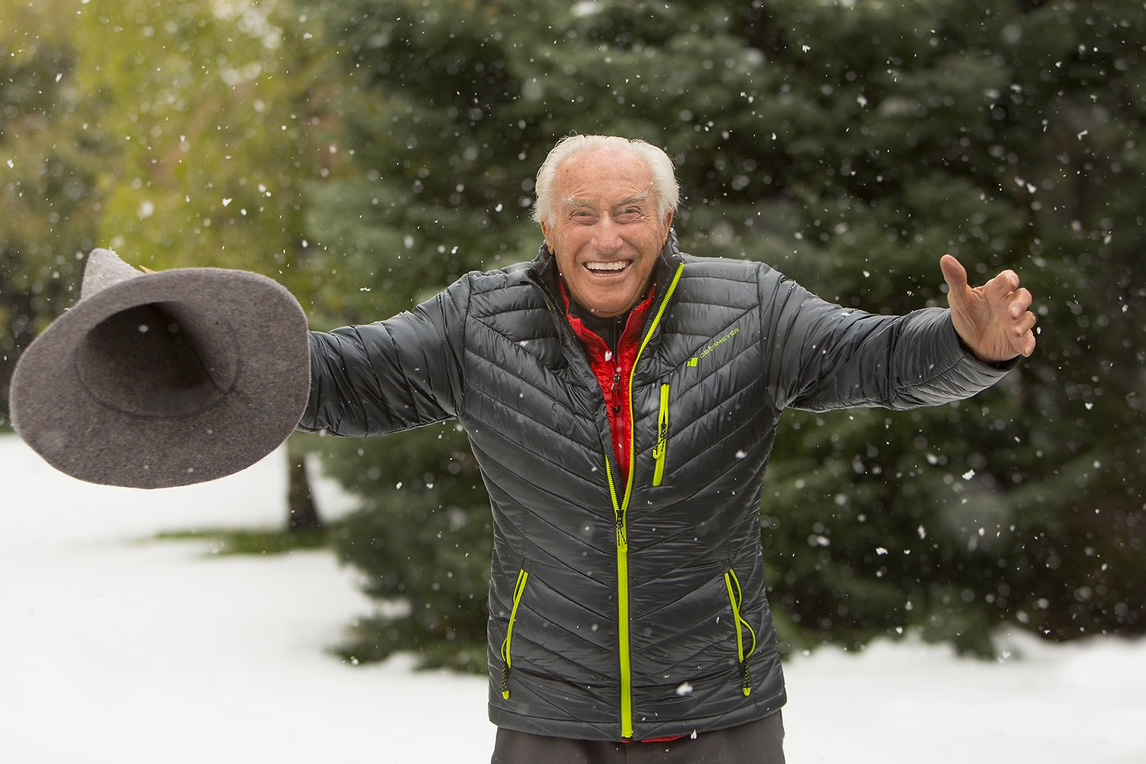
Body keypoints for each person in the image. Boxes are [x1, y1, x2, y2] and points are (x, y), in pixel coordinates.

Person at [299, 135, 1037, 763]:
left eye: (630, 212)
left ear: (667, 220)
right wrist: (225, 358)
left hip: (720, 706)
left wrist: (964, 345)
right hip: (552, 714)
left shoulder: (751, 309)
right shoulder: (478, 323)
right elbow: (342, 379)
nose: (607, 238)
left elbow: (874, 357)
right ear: (549, 229)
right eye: (580, 215)